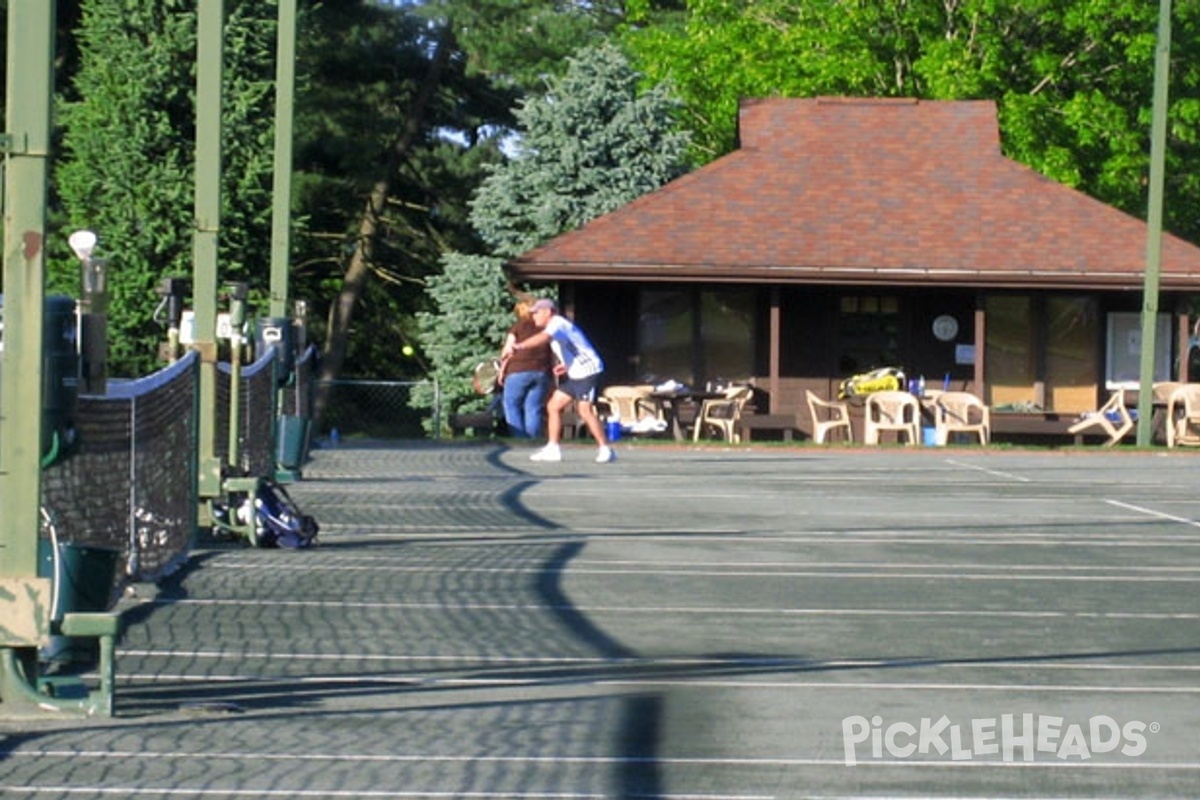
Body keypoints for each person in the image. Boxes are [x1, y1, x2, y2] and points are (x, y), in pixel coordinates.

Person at [504, 298, 615, 463]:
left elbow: (541, 338)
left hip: (589, 372)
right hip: (575, 373)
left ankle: (605, 449)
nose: (534, 316)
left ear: (548, 312)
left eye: (536, 313)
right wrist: (566, 365)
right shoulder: (554, 327)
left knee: (584, 411)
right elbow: (574, 348)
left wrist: (519, 347)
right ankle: (553, 449)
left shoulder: (558, 323)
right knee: (553, 406)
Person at [498, 300, 553, 439]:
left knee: (511, 405)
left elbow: (507, 351)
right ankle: (533, 440)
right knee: (533, 408)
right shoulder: (546, 326)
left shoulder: (517, 327)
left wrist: (501, 371)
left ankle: (519, 439)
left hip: (518, 370)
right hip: (542, 371)